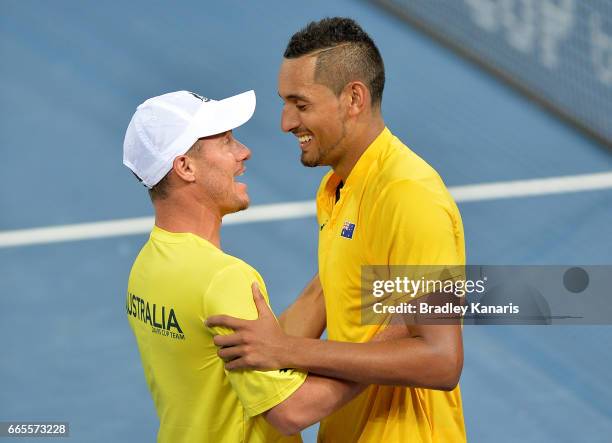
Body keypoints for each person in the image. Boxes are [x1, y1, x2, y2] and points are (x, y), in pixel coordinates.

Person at [206, 18, 467, 442]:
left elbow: (441, 359)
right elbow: (328, 289)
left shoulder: (408, 196)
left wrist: (286, 351)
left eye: (301, 104)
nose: (286, 122)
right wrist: (237, 360)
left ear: (354, 99)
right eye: (284, 103)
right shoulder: (337, 188)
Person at [123, 89, 364, 443]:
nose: (244, 151)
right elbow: (290, 411)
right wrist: (391, 350)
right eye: (226, 142)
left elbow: (273, 351)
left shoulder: (145, 268)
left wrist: (350, 254)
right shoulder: (224, 278)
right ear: (185, 167)